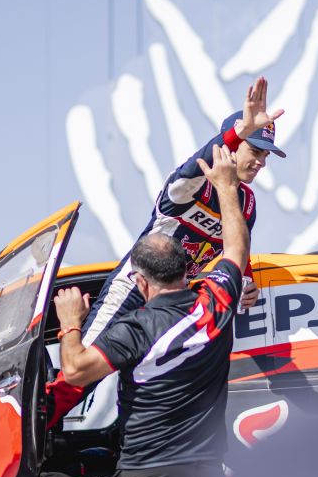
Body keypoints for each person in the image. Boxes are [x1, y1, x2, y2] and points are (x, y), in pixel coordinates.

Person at [51, 143, 249, 477]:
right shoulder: (216, 302)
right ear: (188, 270)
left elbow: (74, 371)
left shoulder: (135, 327)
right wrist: (227, 190)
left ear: (140, 282)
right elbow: (234, 251)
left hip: (142, 475)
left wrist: (71, 323)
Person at [48, 78, 285, 430]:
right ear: (231, 148)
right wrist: (238, 131)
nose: (262, 162)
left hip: (175, 302)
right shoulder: (190, 185)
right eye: (256, 150)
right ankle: (27, 436)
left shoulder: (246, 203)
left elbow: (238, 252)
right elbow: (195, 164)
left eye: (266, 155)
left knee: (162, 386)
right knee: (80, 378)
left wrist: (245, 285)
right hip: (134, 288)